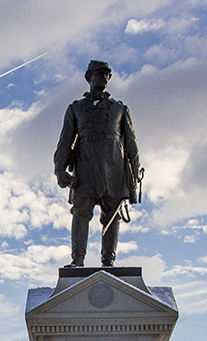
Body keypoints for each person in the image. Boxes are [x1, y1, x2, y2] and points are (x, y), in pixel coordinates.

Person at [54, 60, 141, 267]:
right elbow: (65, 140)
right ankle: (77, 260)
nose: (103, 78)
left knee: (113, 214)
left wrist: (134, 174)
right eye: (99, 74)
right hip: (85, 166)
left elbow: (131, 143)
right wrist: (60, 169)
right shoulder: (76, 108)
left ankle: (108, 261)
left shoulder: (119, 108)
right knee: (80, 212)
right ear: (89, 77)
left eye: (107, 75)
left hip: (114, 167)